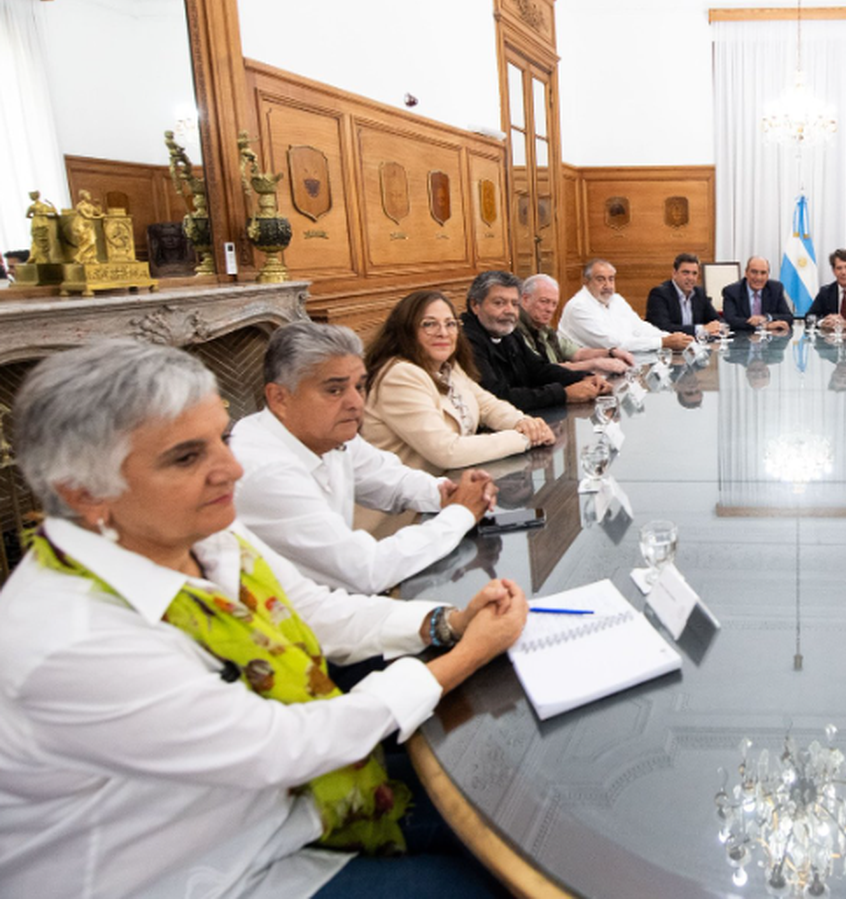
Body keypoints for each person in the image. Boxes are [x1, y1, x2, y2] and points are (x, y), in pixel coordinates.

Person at [0, 340, 529, 897]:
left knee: (512, 799)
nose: (231, 468)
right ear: (82, 492)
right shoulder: (70, 640)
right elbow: (286, 746)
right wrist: (467, 656)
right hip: (210, 870)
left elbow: (316, 611)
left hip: (291, 807)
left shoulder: (200, 533)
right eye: (186, 457)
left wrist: (447, 622)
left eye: (221, 440)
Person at [231, 321, 500, 596]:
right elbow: (365, 571)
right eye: (334, 390)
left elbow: (391, 479)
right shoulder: (267, 470)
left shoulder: (328, 434)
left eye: (359, 387)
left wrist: (447, 493)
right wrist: (460, 513)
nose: (356, 403)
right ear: (280, 398)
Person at [362, 289, 554, 475]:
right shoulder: (399, 376)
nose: (443, 333)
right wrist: (523, 438)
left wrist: (524, 422)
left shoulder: (447, 366)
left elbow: (488, 405)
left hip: (448, 488)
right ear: (405, 331)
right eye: (429, 324)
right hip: (406, 505)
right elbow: (447, 451)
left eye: (450, 324)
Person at [461, 270, 608, 411]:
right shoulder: (466, 340)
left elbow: (539, 369)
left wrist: (585, 378)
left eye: (514, 304)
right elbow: (496, 396)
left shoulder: (508, 331)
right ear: (475, 305)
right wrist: (563, 394)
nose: (509, 310)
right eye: (499, 303)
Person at [558, 258, 693, 353]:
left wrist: (673, 337)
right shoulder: (579, 307)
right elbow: (614, 344)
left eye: (611, 279)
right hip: (587, 372)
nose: (608, 285)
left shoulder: (616, 300)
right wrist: (663, 342)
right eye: (600, 279)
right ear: (586, 282)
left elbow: (640, 328)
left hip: (618, 363)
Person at [516, 273, 634, 375]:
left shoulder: (544, 330)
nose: (550, 309)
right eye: (544, 302)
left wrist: (611, 353)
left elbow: (578, 353)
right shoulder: (515, 332)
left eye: (554, 304)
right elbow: (543, 370)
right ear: (525, 299)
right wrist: (595, 364)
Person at [645, 253, 724, 337]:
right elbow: (662, 327)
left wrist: (718, 326)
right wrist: (701, 329)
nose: (690, 278)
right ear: (674, 273)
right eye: (685, 273)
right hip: (668, 347)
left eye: (694, 273)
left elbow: (716, 319)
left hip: (696, 346)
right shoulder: (660, 293)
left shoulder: (699, 293)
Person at [721, 255, 794, 332]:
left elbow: (788, 317)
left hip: (769, 341)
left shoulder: (775, 289)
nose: (758, 277)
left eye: (763, 273)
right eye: (754, 272)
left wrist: (767, 318)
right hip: (741, 340)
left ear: (768, 275)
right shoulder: (732, 291)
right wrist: (764, 326)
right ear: (746, 273)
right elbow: (730, 321)